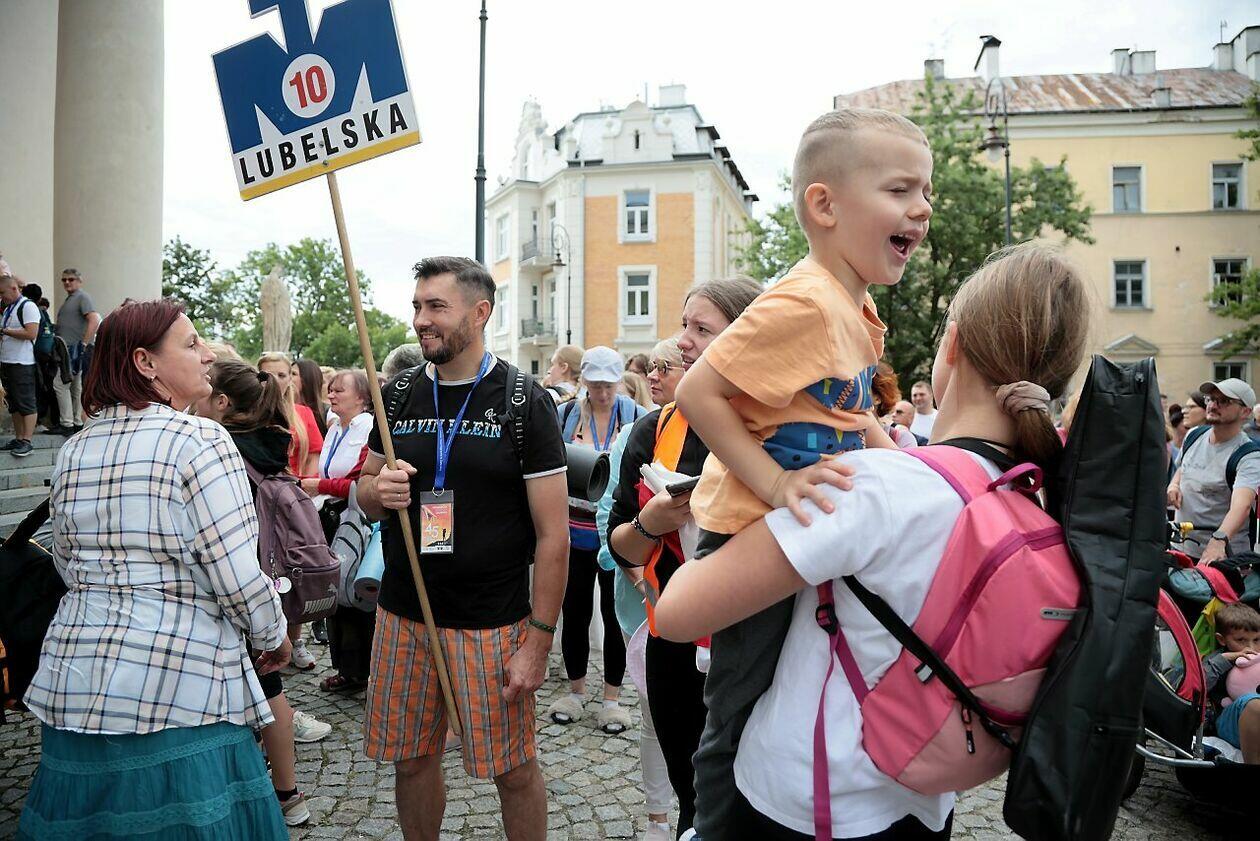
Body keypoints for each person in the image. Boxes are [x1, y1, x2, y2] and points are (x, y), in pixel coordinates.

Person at [655, 244, 1089, 840]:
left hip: (811, 801)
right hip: (924, 796)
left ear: (953, 346)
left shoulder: (876, 489)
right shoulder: (1031, 494)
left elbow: (678, 614)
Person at [674, 107, 931, 837]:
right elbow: (697, 394)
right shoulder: (805, 300)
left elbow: (852, 413)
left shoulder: (850, 300)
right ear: (824, 205)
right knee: (737, 708)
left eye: (926, 192)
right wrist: (776, 483)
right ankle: (712, 829)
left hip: (795, 535)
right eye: (900, 190)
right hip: (748, 532)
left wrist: (917, 474)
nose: (922, 208)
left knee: (785, 698)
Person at [19, 299, 293, 839]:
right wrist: (272, 634)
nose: (208, 354)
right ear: (145, 362)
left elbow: (68, 563)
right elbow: (235, 572)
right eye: (191, 344)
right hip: (178, 684)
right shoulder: (201, 440)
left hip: (78, 676)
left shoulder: (75, 448)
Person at [358, 256, 568, 841]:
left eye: (436, 307)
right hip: (404, 614)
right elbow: (366, 494)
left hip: (490, 621)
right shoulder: (398, 395)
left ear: (480, 313)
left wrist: (538, 642)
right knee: (411, 760)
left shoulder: (523, 401)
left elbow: (553, 535)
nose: (421, 320)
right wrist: (378, 490)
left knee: (512, 770)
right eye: (417, 306)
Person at [608, 277, 763, 837]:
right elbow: (619, 543)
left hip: (756, 646)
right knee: (691, 794)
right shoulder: (655, 428)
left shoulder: (780, 424)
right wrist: (650, 523)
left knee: (750, 799)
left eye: (702, 328)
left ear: (745, 338)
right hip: (672, 641)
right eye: (683, 325)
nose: (683, 341)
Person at [194, 360, 336, 826]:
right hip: (268, 579)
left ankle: (245, 788)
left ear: (222, 403)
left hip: (231, 583)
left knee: (249, 686)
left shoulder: (220, 451)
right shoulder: (273, 443)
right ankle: (290, 796)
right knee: (271, 688)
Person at [597, 336, 685, 840]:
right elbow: (610, 525)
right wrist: (646, 585)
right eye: (650, 366)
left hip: (702, 611)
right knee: (655, 718)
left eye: (665, 366)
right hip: (644, 607)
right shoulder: (637, 434)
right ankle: (657, 819)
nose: (653, 375)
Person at [548, 346, 646, 734]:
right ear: (584, 381)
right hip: (573, 531)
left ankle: (612, 699)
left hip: (616, 531)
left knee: (613, 612)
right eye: (595, 385)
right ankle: (575, 691)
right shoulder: (565, 414)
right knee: (574, 611)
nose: (603, 393)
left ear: (619, 382)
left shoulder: (635, 416)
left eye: (609, 385)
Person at [302, 368, 374, 689]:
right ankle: (345, 668)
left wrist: (318, 485)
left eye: (339, 390)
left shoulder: (368, 429)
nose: (331, 395)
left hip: (355, 521)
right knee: (336, 595)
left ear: (361, 397)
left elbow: (359, 482)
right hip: (330, 518)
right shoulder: (334, 428)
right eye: (329, 390)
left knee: (353, 594)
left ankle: (360, 670)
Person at [1167, 377, 1260, 563]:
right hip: (1181, 547)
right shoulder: (1194, 435)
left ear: (1246, 411)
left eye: (1224, 401)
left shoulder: (1248, 455)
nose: (1213, 405)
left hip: (1222, 556)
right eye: (1210, 399)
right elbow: (1184, 468)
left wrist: (1219, 541)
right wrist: (1174, 485)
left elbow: (1241, 506)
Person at [1202, 602, 1260, 764]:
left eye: (1257, 639)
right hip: (1229, 721)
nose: (1251, 647)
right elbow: (1199, 685)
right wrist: (1226, 659)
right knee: (1254, 704)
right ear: (1221, 639)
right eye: (1241, 640)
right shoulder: (1217, 660)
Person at [258, 351, 323, 477]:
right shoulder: (248, 413)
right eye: (268, 376)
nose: (275, 381)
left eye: (281, 375)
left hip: (296, 484)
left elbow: (314, 457)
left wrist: (301, 485)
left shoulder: (303, 413)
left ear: (289, 380)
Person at [51, 267, 100, 433]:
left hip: (73, 349)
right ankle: (77, 421)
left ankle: (67, 423)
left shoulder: (82, 297)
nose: (67, 282)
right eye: (64, 279)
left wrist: (83, 345)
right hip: (68, 349)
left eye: (71, 279)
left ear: (79, 281)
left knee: (60, 384)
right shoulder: (71, 299)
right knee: (75, 386)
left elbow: (94, 319)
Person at [0, 273, 40, 457]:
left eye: (3, 293)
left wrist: (5, 331)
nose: (2, 297)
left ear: (14, 288)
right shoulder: (9, 308)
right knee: (14, 403)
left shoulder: (28, 306)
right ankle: (18, 438)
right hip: (8, 361)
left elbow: (31, 333)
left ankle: (27, 441)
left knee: (26, 402)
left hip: (22, 362)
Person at [293, 357, 330, 437]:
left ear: (307, 379)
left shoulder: (327, 412)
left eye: (293, 374)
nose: (288, 377)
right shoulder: (282, 409)